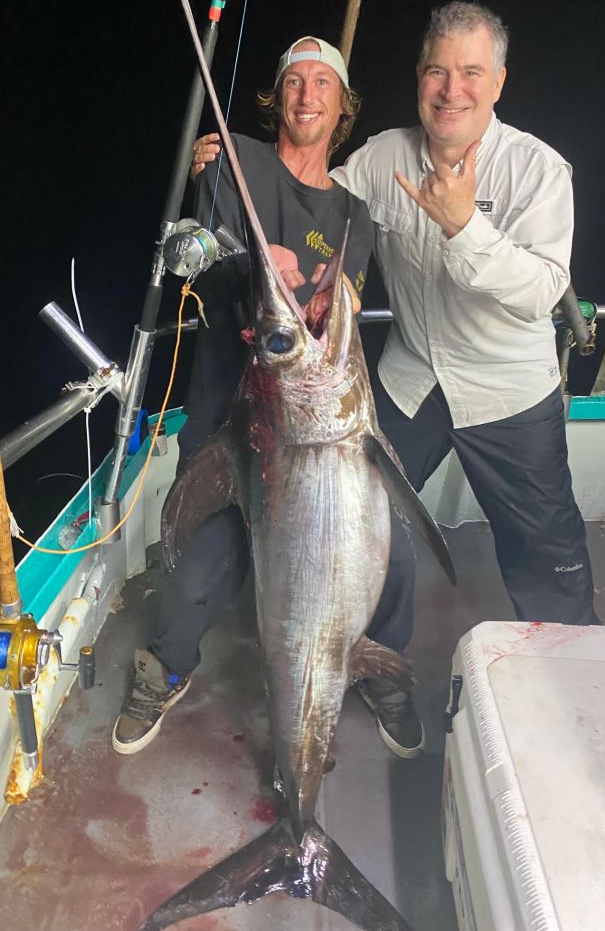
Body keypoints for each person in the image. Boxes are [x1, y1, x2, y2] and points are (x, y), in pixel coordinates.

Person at [194, 2, 598, 634]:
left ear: (498, 81)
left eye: (470, 73)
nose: (451, 90)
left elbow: (545, 288)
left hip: (510, 392)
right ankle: (382, 668)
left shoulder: (537, 169)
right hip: (411, 381)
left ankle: (575, 672)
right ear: (418, 77)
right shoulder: (384, 158)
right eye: (437, 72)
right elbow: (310, 193)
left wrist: (465, 227)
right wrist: (228, 170)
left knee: (546, 554)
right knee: (365, 516)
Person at [113, 37, 425, 762]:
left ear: (342, 106)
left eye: (323, 83)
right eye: (294, 81)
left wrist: (315, 282)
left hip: (317, 422)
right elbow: (203, 264)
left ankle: (378, 671)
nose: (307, 93)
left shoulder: (354, 215)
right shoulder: (232, 161)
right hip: (230, 417)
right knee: (197, 567)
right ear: (276, 95)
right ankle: (168, 667)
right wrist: (255, 262)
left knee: (396, 555)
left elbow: (344, 299)